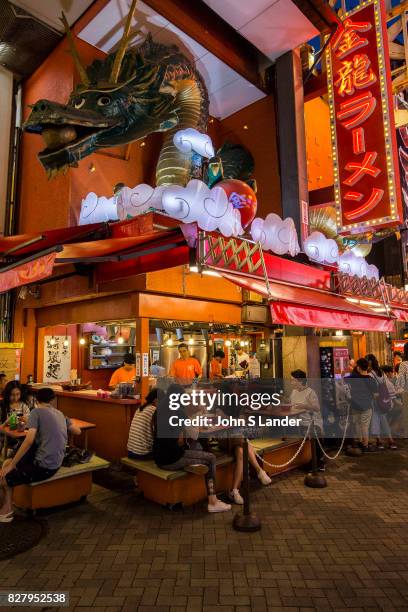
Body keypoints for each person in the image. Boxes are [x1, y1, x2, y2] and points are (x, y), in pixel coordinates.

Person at [0, 387, 81, 522]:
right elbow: (77, 431)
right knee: (7, 463)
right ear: (52, 400)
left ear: (36, 400)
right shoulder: (60, 413)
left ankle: (7, 508)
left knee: (5, 475)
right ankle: (8, 507)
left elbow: (29, 440)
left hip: (45, 466)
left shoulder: (36, 412)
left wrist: (13, 465)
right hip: (55, 462)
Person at [153, 384, 231, 513]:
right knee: (211, 458)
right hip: (171, 459)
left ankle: (197, 469)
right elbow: (195, 435)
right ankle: (213, 501)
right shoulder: (179, 411)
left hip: (158, 456)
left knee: (195, 454)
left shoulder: (159, 408)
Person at [290, 370, 325, 470]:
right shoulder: (294, 392)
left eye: (293, 380)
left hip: (311, 421)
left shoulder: (310, 392)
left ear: (300, 381)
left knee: (314, 433)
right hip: (297, 421)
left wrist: (304, 406)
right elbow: (291, 404)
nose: (291, 382)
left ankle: (318, 462)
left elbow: (317, 408)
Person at [347, 358, 377, 452]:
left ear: (359, 368)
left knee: (357, 425)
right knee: (365, 426)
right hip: (367, 406)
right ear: (367, 367)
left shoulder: (353, 378)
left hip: (355, 405)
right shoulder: (371, 380)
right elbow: (376, 394)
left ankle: (359, 442)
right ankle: (365, 445)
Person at [366, 353, 396, 449]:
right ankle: (390, 441)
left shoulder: (370, 375)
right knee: (383, 420)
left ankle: (379, 441)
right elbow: (387, 385)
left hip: (375, 400)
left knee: (375, 420)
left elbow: (370, 389)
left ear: (369, 363)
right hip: (383, 399)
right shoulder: (381, 372)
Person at [127, 389, 159, 459]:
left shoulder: (140, 408)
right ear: (156, 400)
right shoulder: (154, 410)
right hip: (142, 453)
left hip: (130, 451)